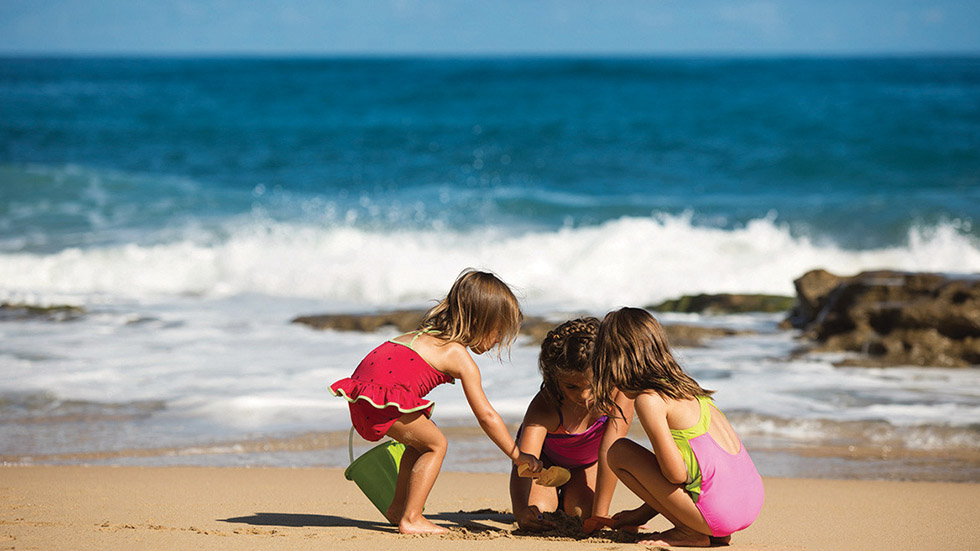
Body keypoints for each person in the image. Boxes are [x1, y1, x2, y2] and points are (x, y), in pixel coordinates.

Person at [329, 269, 543, 535]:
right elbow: (486, 415)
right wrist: (516, 454)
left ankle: (398, 508)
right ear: (479, 321)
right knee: (437, 444)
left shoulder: (421, 335)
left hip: (360, 394)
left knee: (419, 444)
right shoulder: (456, 354)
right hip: (383, 399)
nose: (499, 340)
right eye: (498, 331)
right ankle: (412, 518)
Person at [591, 307, 764, 548]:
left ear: (612, 361)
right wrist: (641, 514)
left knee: (619, 451)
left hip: (719, 512)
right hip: (748, 504)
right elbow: (692, 478)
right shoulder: (687, 388)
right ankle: (708, 529)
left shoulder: (649, 400)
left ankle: (689, 531)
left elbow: (676, 475)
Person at [509, 317, 634, 531]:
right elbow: (524, 465)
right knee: (541, 513)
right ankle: (555, 496)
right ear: (553, 378)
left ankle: (571, 493)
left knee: (581, 514)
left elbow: (610, 454)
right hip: (544, 466)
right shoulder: (546, 406)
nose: (584, 395)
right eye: (572, 387)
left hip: (588, 463)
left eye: (592, 385)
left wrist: (600, 515)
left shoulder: (620, 394)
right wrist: (520, 510)